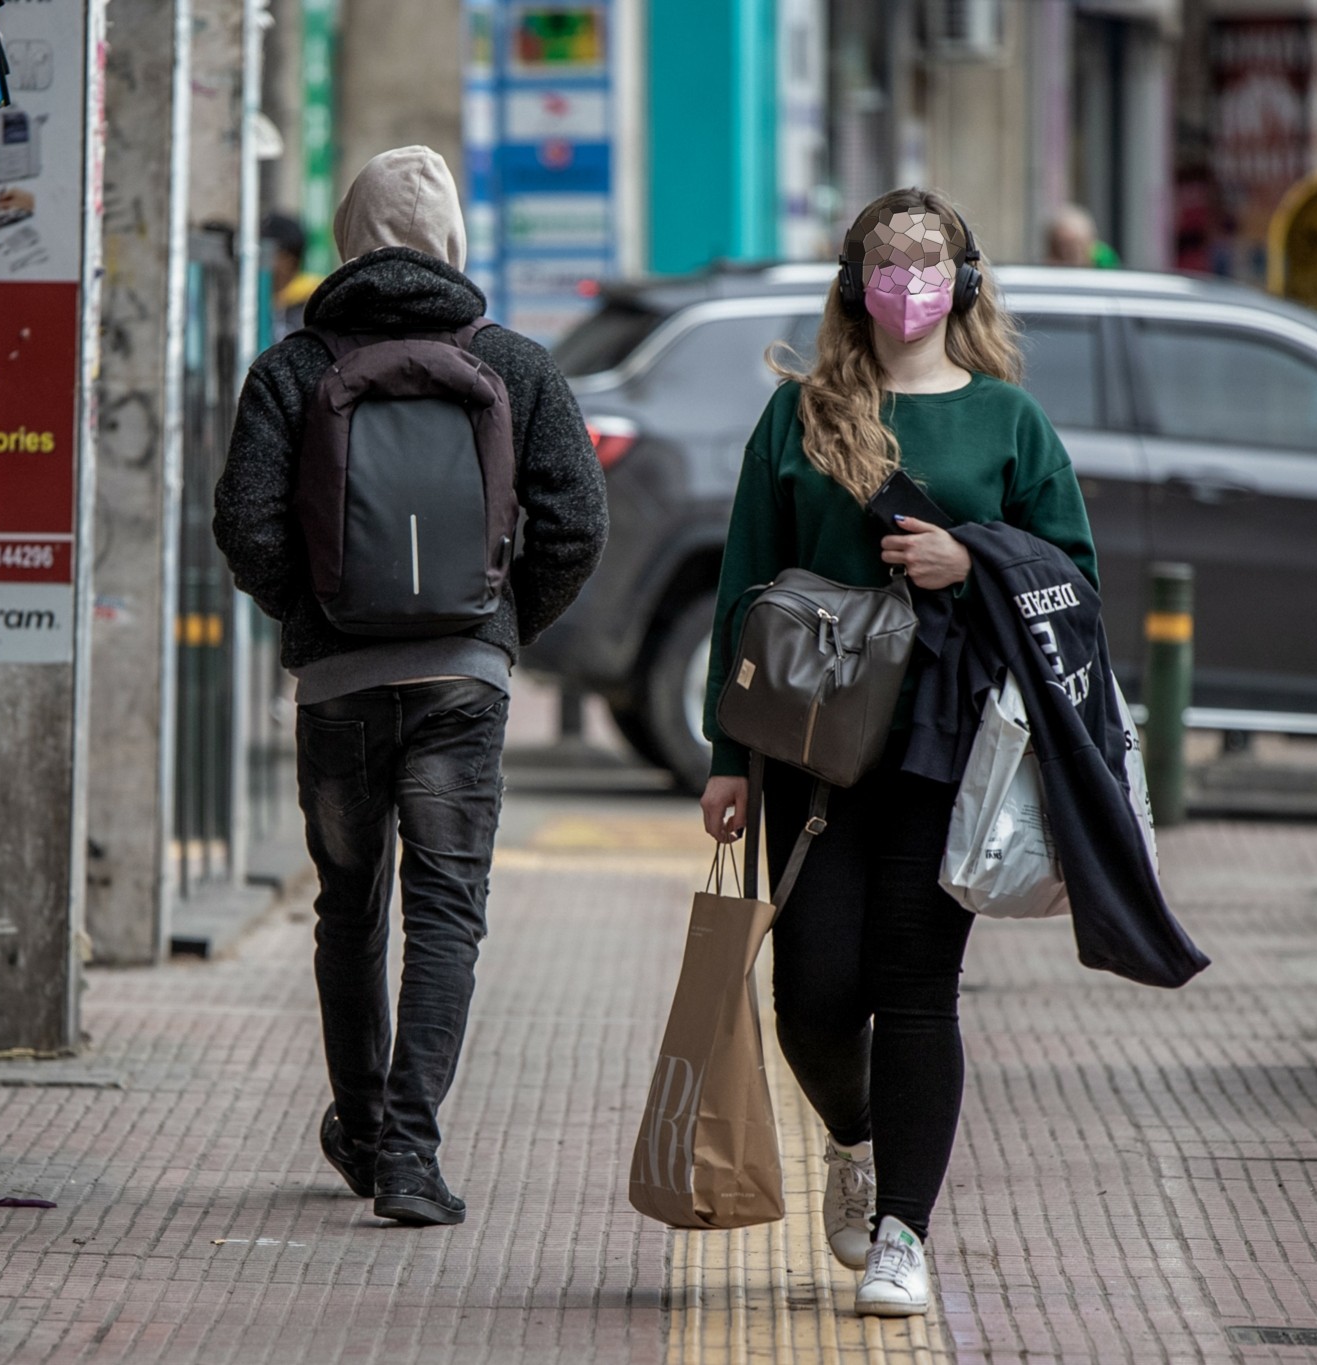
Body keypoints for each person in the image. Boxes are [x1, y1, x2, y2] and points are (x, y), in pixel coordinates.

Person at [697, 188, 1099, 1316]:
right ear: (853, 280)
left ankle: (902, 1236)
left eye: (929, 262)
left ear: (963, 281)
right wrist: (725, 754)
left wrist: (974, 561)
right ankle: (853, 1135)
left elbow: (1075, 578)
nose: (908, 282)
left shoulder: (1008, 422)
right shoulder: (802, 414)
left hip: (952, 742)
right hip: (814, 743)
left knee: (916, 986)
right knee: (811, 995)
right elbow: (744, 587)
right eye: (887, 262)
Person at [214, 147, 607, 1227]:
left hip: (339, 681)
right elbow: (578, 522)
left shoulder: (291, 369)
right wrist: (500, 622)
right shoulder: (514, 366)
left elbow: (243, 523)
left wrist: (312, 612)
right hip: (460, 682)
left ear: (348, 238)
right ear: (452, 244)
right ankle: (412, 1156)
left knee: (349, 907)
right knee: (446, 913)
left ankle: (364, 1123)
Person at [261, 211, 320, 340]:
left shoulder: (313, 304)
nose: (259, 262)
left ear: (290, 259)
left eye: (267, 253)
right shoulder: (254, 300)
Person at [1043, 202, 1119, 269]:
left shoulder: (1104, 263)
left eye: (1075, 244)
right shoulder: (1046, 273)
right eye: (1060, 245)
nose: (1067, 251)